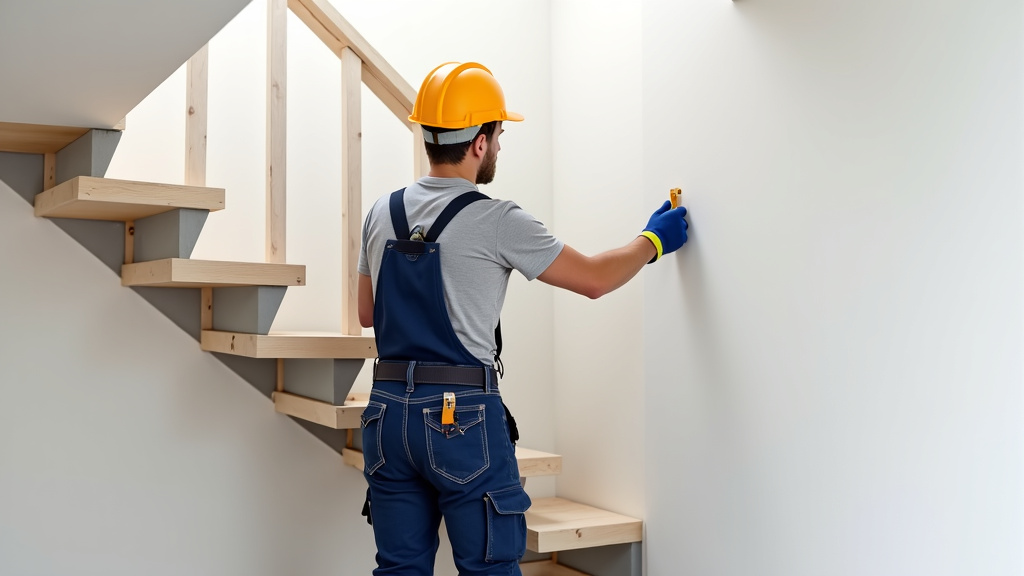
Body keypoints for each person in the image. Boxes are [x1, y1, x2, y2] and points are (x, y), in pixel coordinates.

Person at [356, 61, 688, 576]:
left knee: (399, 570)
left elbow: (365, 313)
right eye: (499, 132)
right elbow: (594, 279)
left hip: (387, 415)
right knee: (489, 568)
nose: (501, 144)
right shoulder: (496, 219)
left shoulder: (380, 211)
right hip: (458, 416)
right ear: (479, 142)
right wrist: (653, 242)